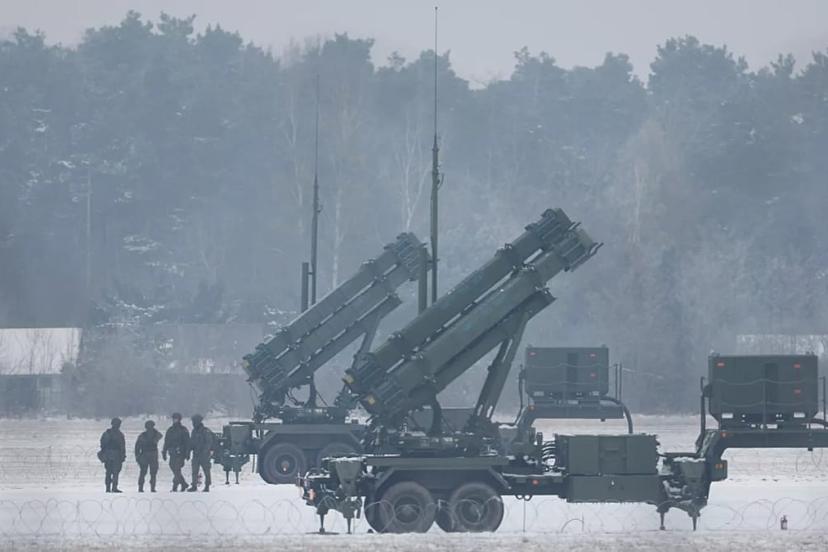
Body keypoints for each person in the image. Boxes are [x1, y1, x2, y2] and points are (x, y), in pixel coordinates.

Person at [162, 412, 190, 492]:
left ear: (179, 419)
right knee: (172, 467)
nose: (175, 420)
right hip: (172, 453)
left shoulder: (183, 430)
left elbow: (187, 442)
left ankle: (175, 486)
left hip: (181, 453)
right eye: (174, 419)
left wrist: (187, 453)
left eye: (176, 419)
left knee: (177, 469)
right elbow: (166, 441)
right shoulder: (170, 430)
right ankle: (184, 483)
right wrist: (164, 451)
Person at [188, 413, 215, 492]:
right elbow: (192, 442)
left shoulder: (205, 431)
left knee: (206, 471)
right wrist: (189, 450)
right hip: (196, 454)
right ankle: (194, 485)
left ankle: (207, 486)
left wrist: (204, 451)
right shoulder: (194, 431)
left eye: (194, 422)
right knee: (194, 471)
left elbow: (209, 442)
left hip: (204, 455)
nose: (193, 423)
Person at [99, 417, 126, 493]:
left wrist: (123, 455)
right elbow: (102, 444)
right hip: (110, 454)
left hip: (115, 455)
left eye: (118, 424)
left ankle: (113, 487)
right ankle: (109, 487)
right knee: (109, 472)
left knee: (115, 472)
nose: (117, 425)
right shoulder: (107, 433)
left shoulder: (119, 434)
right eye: (116, 424)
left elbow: (122, 446)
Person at [134, 420, 162, 492]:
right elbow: (137, 447)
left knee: (150, 472)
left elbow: (137, 447)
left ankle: (147, 488)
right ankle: (145, 488)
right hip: (147, 455)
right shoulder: (144, 435)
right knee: (146, 472)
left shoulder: (153, 434)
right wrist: (137, 456)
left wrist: (137, 456)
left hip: (150, 454)